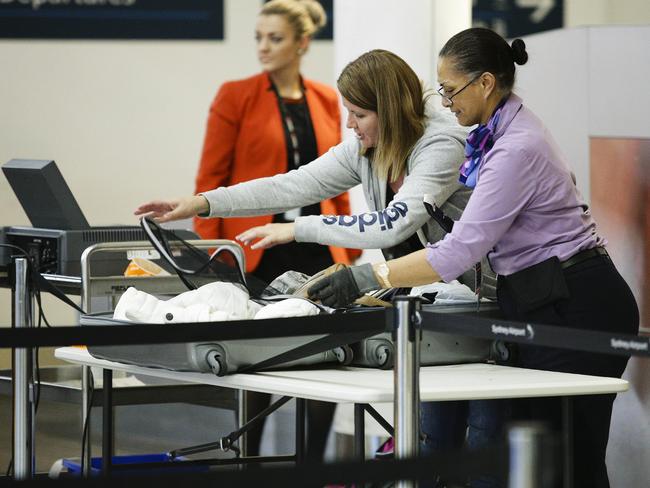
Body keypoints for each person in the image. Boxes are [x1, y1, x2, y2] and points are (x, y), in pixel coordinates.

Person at [307, 28, 640, 488]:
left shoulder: (516, 146)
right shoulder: (492, 133)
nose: (445, 103)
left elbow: (460, 249)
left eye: (450, 90)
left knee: (569, 462)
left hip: (577, 303)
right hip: (542, 300)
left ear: (485, 83)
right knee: (539, 458)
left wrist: (367, 275)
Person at [135, 48, 479, 469]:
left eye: (358, 114)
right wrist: (202, 203)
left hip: (484, 297)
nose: (349, 125)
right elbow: (294, 185)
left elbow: (392, 225)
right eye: (347, 112)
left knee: (485, 437)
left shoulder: (441, 144)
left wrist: (297, 229)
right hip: (441, 295)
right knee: (435, 439)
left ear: (388, 112)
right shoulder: (370, 145)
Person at [191, 0, 359, 460]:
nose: (263, 47)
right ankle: (248, 465)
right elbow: (210, 182)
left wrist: (349, 244)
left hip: (318, 251)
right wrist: (215, 256)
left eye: (276, 38)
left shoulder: (327, 98)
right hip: (256, 252)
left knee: (323, 363)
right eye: (259, 37)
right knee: (256, 362)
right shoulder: (236, 95)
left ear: (302, 43)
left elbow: (339, 178)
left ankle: (311, 468)